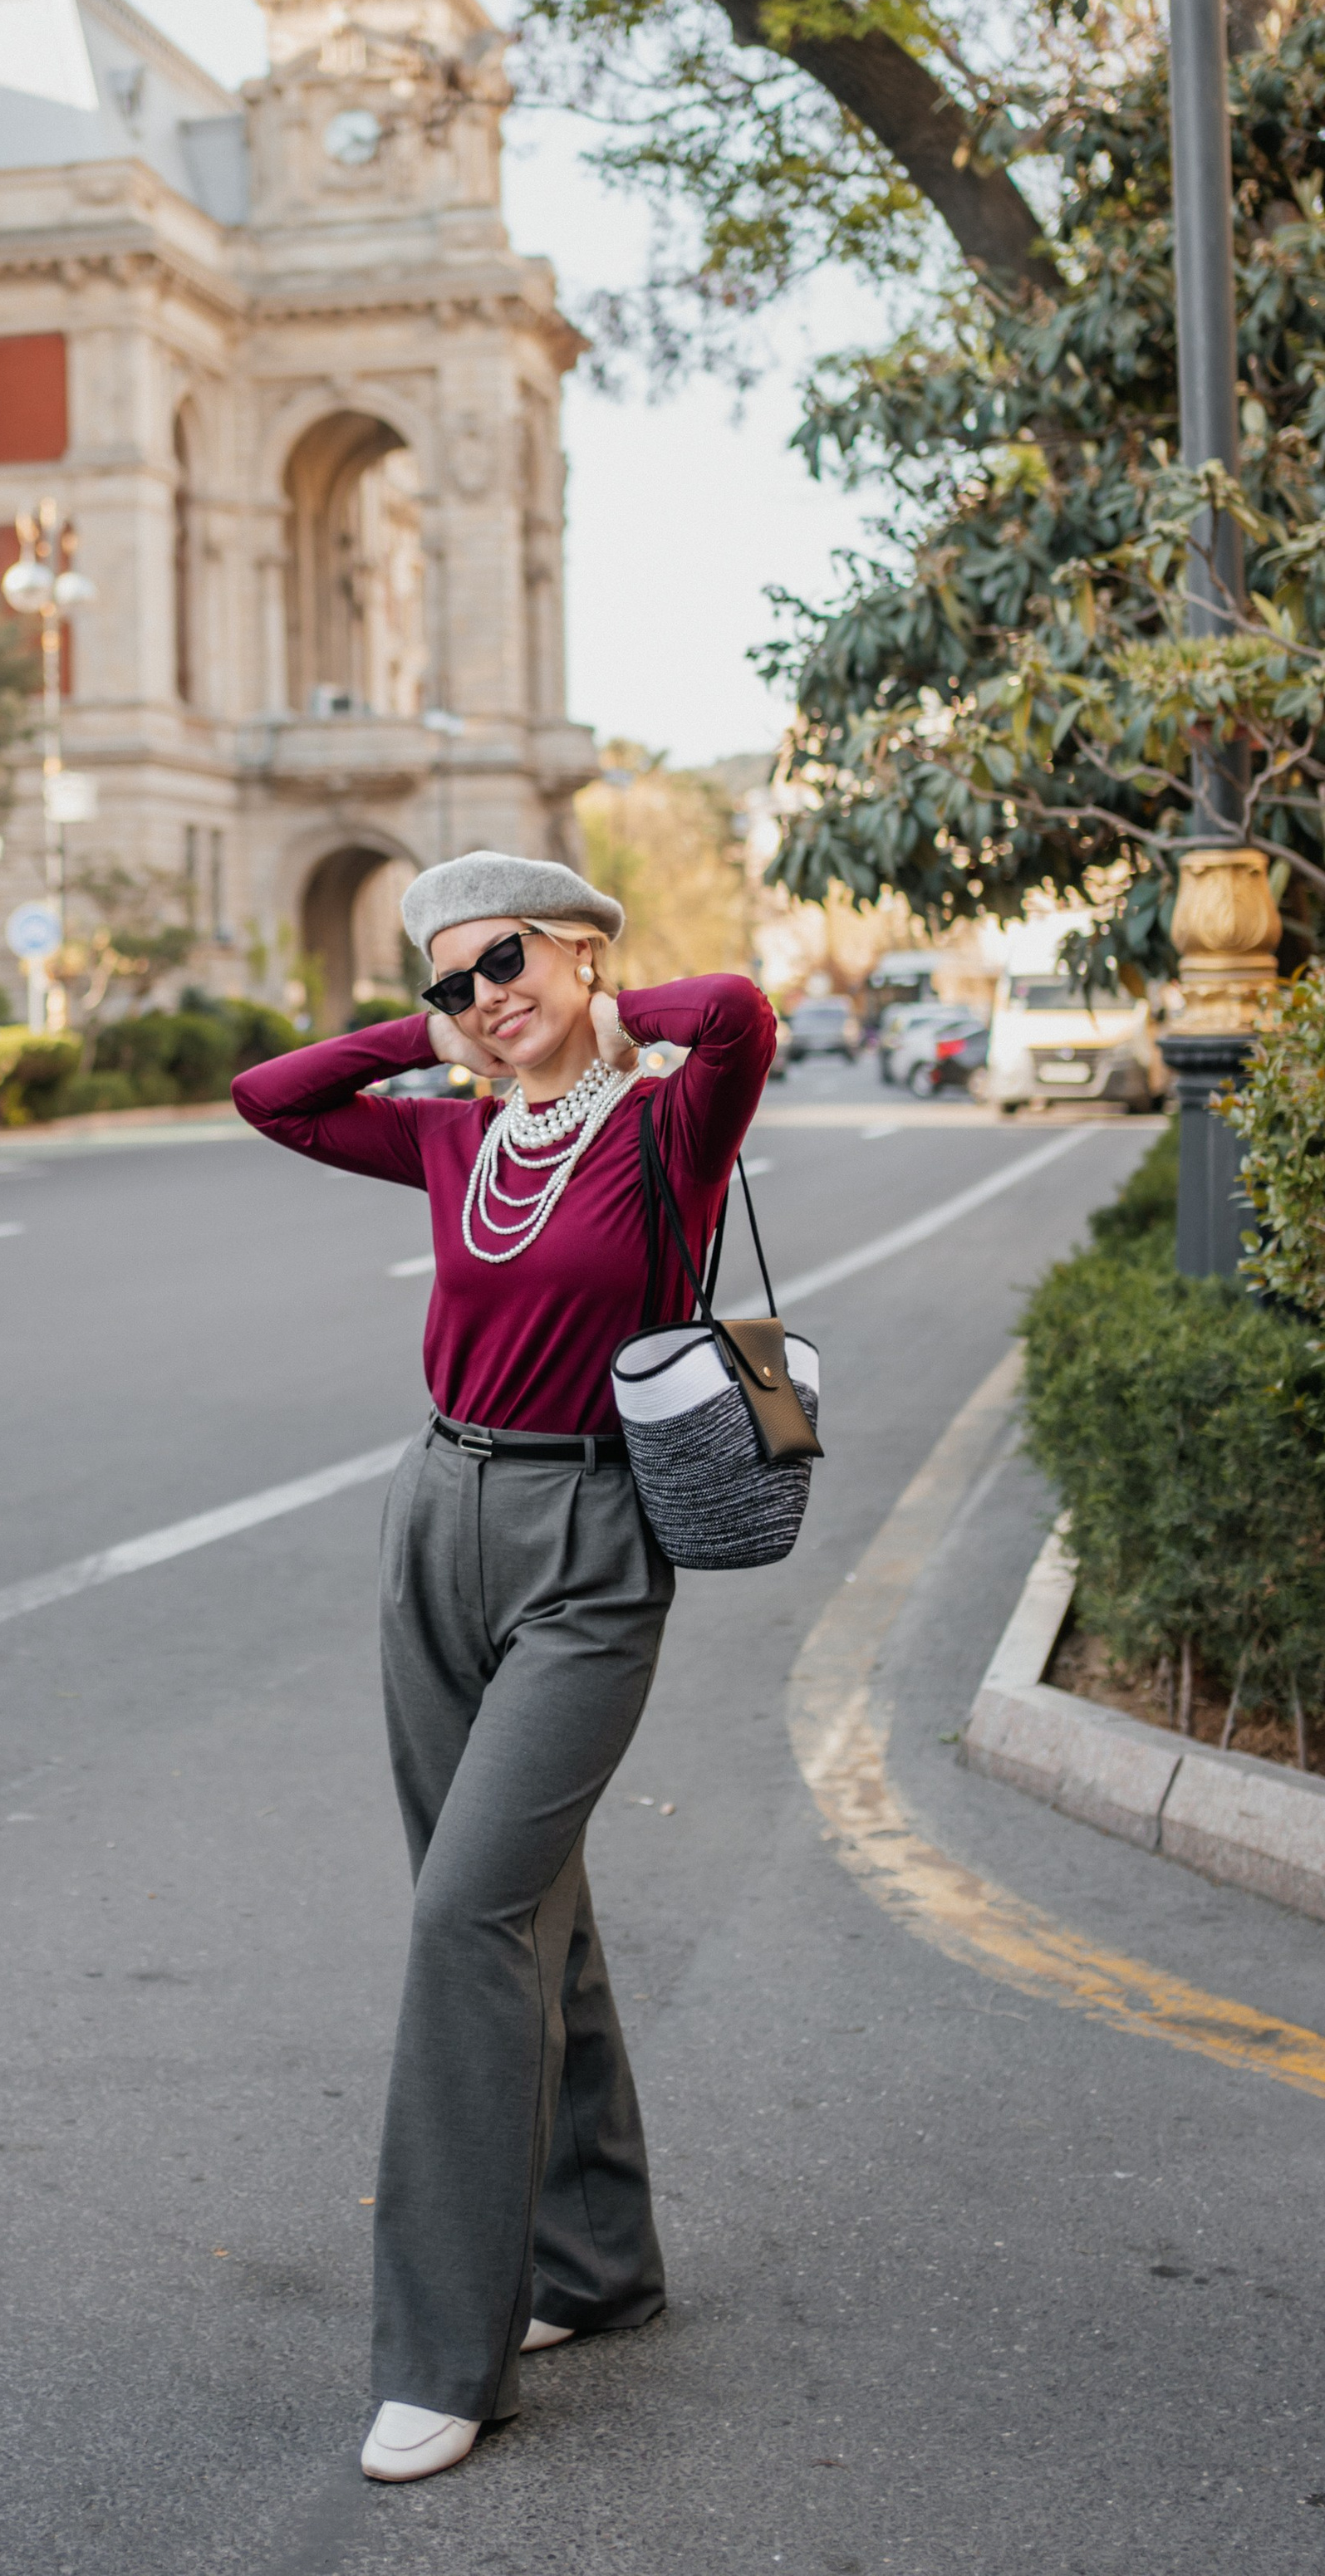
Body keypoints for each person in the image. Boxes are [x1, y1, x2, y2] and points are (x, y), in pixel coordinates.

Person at [230, 850, 777, 2484]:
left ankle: (442, 2349)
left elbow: (734, 1011)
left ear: (584, 950)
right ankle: (596, 2262)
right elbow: (272, 1094)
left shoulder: (667, 1125)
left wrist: (585, 1003)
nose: (484, 998)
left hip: (593, 1545)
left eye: (509, 959)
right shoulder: (452, 1134)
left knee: (468, 1914)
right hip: (438, 1516)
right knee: (523, 1901)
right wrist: (442, 1036)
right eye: (455, 977)